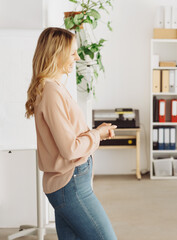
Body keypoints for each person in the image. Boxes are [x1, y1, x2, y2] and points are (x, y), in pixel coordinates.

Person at [25, 27, 118, 240]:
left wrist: (96, 133)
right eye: (73, 52)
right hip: (71, 184)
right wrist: (97, 135)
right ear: (56, 54)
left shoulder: (52, 87)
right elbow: (70, 149)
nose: (77, 57)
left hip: (69, 183)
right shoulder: (51, 92)